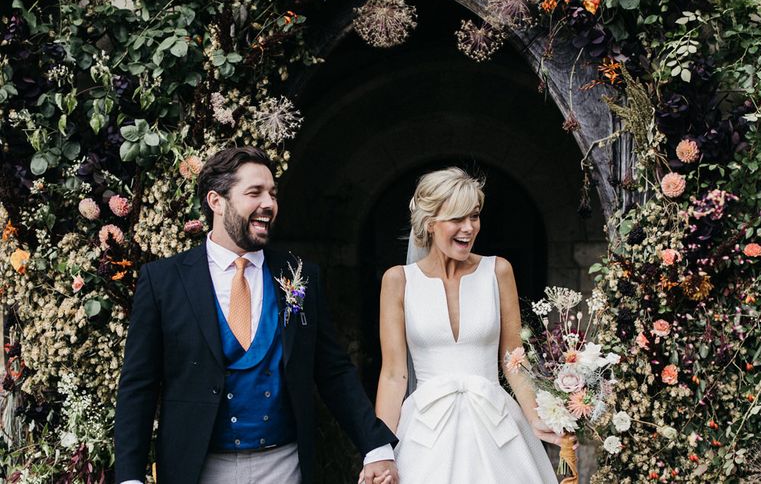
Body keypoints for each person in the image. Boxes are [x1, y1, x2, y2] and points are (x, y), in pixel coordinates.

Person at [114, 146, 398, 484]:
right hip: (199, 466)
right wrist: (129, 476)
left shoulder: (300, 275)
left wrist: (375, 444)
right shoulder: (163, 281)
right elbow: (139, 385)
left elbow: (333, 370)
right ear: (216, 201)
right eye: (255, 192)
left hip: (283, 463)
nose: (269, 204)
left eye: (273, 193)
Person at [374, 167, 560, 483]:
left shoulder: (498, 271)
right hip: (425, 431)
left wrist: (537, 416)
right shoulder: (398, 281)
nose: (469, 228)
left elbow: (514, 360)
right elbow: (394, 374)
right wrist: (379, 450)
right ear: (429, 223)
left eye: (474, 216)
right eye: (457, 219)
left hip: (496, 425)